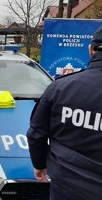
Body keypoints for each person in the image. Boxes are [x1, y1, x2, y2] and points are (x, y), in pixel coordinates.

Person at [27, 25, 102, 200]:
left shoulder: (60, 88)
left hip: (66, 186)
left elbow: (36, 134)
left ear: (91, 50)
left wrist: (39, 164)